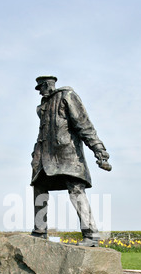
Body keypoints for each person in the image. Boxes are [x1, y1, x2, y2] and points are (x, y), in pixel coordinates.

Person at [31, 75, 111, 247]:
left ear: (47, 85)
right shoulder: (43, 106)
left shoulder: (66, 96)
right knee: (39, 188)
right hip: (45, 157)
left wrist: (98, 148)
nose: (40, 93)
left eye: (41, 88)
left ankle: (91, 235)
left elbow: (84, 125)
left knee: (76, 190)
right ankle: (39, 231)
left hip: (67, 155)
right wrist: (35, 154)